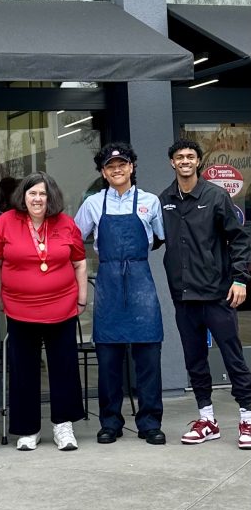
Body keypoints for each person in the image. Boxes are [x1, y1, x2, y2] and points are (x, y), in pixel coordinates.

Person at [160, 138, 251, 448]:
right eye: (179, 157)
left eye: (190, 156)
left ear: (198, 161)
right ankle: (207, 420)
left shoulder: (215, 196)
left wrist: (240, 280)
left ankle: (247, 419)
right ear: (172, 162)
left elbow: (239, 239)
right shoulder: (164, 200)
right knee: (195, 361)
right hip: (184, 297)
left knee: (233, 358)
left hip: (217, 295)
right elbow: (153, 237)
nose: (185, 161)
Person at [75, 143, 166, 445]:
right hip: (109, 284)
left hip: (141, 283)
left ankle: (150, 422)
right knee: (108, 361)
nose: (117, 169)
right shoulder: (93, 204)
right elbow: (74, 239)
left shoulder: (150, 202)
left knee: (148, 357)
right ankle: (110, 422)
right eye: (110, 166)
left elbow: (160, 238)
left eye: (122, 164)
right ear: (103, 172)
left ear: (132, 167)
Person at [0, 171, 87, 452]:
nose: (37, 199)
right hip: (20, 308)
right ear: (23, 196)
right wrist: (0, 298)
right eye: (32, 193)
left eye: (42, 193)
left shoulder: (65, 223)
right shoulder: (5, 222)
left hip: (62, 307)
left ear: (50, 197)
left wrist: (81, 298)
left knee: (63, 367)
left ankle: (63, 426)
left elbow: (80, 262)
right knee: (24, 370)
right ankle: (27, 429)